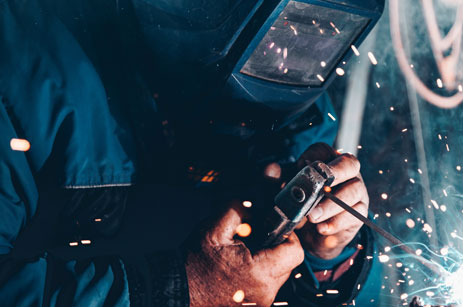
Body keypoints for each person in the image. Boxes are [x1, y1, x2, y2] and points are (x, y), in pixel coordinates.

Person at [0, 0, 384, 305]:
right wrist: (174, 295)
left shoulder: (299, 114)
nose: (284, 54)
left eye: (312, 35)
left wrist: (328, 260)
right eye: (277, 33)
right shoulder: (24, 75)